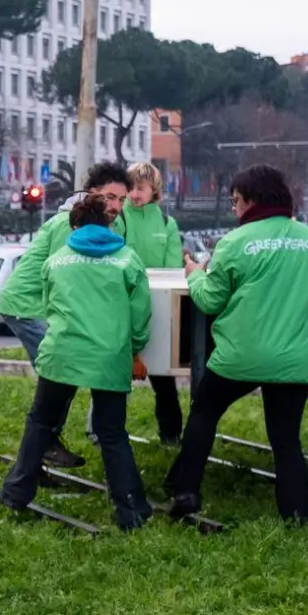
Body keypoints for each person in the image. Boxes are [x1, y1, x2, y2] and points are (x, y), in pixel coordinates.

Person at [163, 165, 308, 524]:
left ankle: (187, 493)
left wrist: (194, 274)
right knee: (286, 440)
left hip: (238, 357)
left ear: (251, 200)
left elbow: (210, 301)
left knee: (204, 415)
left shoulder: (234, 243)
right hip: (293, 360)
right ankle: (297, 516)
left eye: (236, 201)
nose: (235, 208)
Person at [0, 194, 153, 529]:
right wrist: (133, 349)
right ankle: (132, 510)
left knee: (40, 422)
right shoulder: (128, 260)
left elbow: (47, 306)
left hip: (62, 353)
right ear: (110, 224)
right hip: (109, 356)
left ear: (74, 225)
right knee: (112, 433)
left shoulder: (56, 261)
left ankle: (15, 493)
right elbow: (141, 316)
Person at [0, 161, 131, 468]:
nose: (116, 206)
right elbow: (60, 275)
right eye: (110, 197)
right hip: (27, 305)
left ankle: (42, 449)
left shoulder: (99, 221)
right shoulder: (67, 223)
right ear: (92, 192)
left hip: (39, 303)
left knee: (60, 376)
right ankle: (46, 445)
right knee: (59, 375)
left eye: (122, 200)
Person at [113, 161, 186, 444]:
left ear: (154, 191)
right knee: (111, 378)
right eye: (130, 188)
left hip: (156, 309)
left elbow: (172, 272)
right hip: (122, 306)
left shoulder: (167, 224)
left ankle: (171, 434)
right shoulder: (120, 220)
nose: (133, 195)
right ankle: (102, 431)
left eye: (140, 189)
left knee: (164, 380)